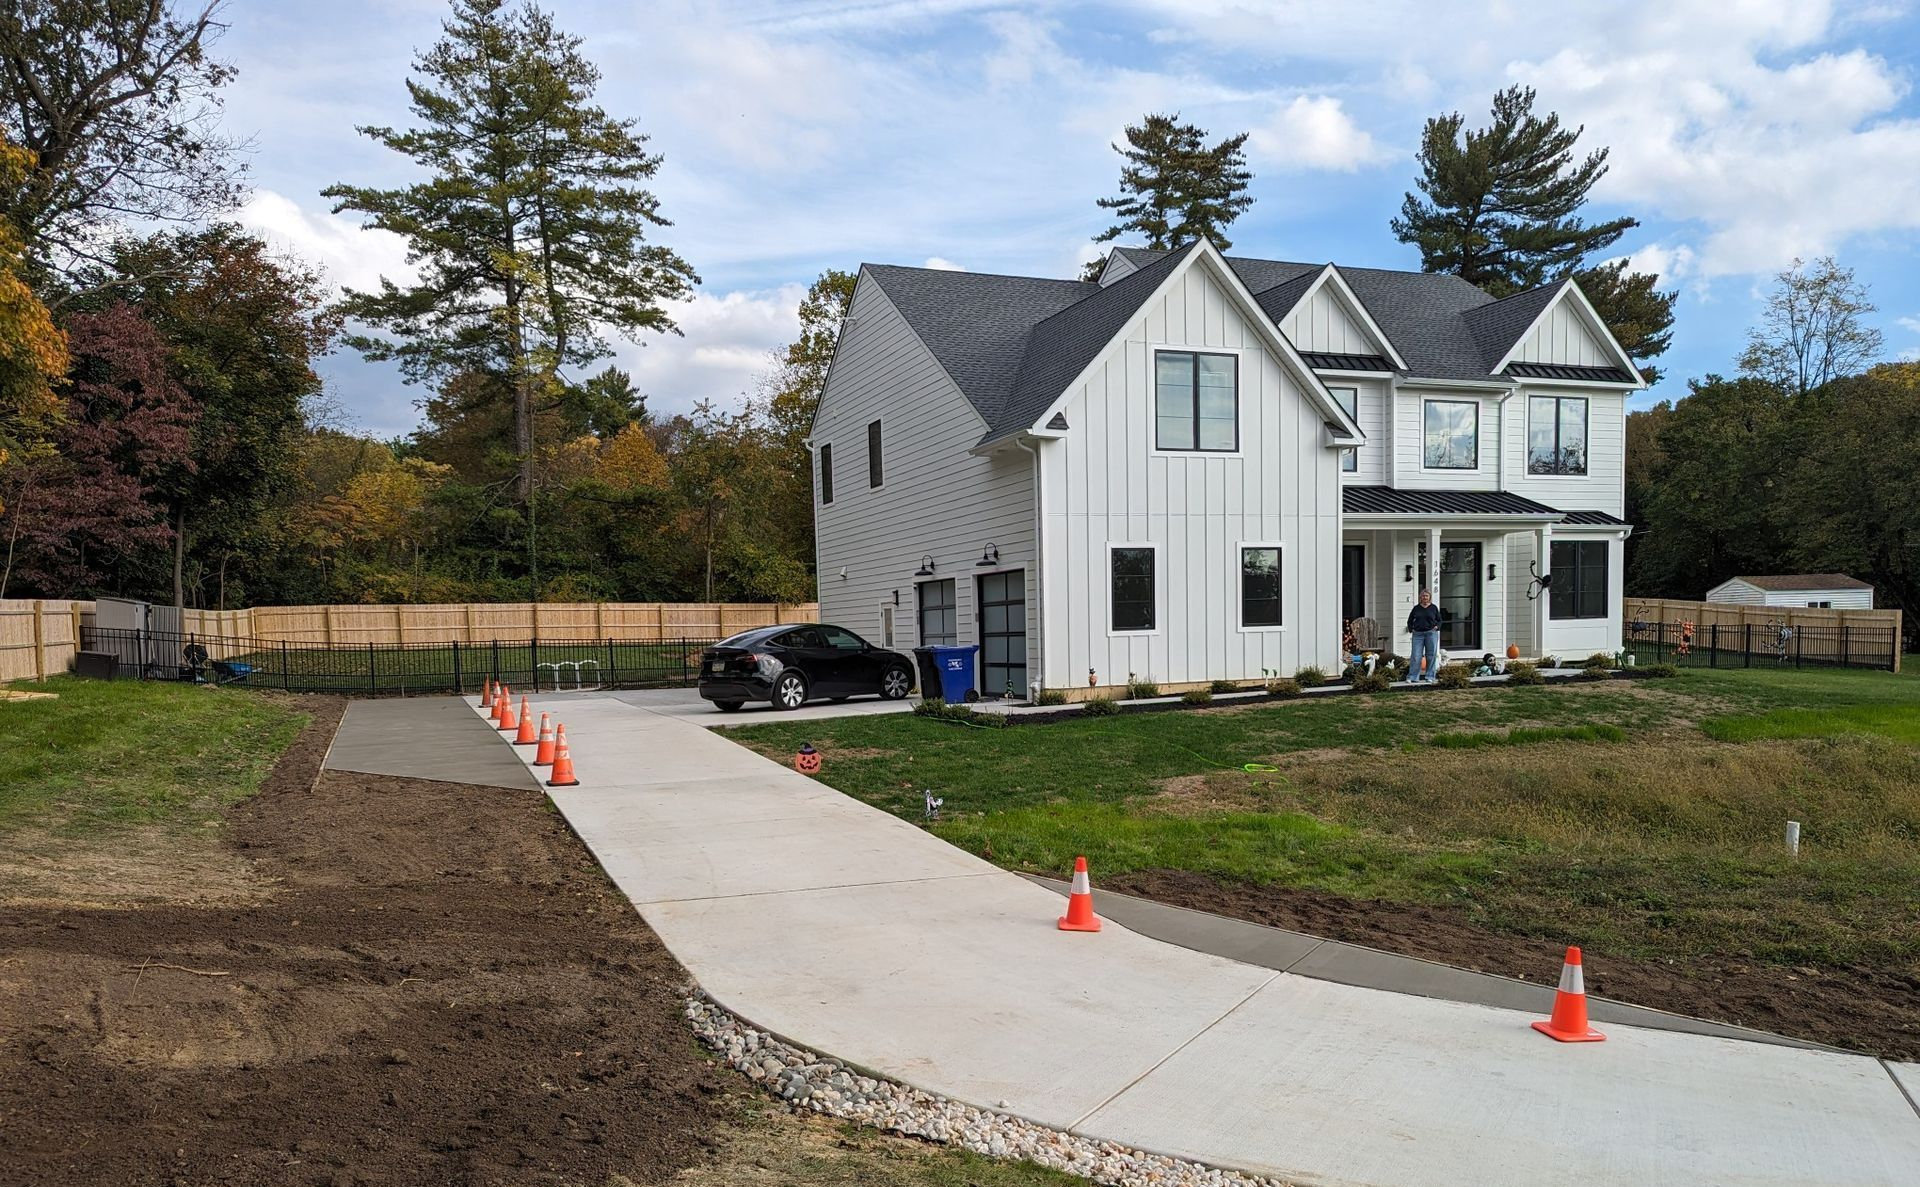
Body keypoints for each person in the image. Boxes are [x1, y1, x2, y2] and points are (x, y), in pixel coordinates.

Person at [1407, 589, 1442, 683]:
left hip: (1431, 633)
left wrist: (1437, 627)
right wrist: (1411, 629)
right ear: (1420, 597)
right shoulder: (1416, 608)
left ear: (1429, 597)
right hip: (1418, 635)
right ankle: (1413, 677)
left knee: (1431, 655)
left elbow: (1439, 620)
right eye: (1423, 596)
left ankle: (1430, 676)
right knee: (1416, 655)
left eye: (1426, 596)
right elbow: (1410, 620)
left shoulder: (1433, 608)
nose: (1425, 598)